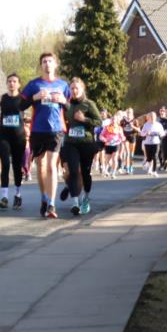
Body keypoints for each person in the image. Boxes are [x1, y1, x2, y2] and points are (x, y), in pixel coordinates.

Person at [21, 52, 70, 219]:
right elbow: (20, 104)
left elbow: (71, 106)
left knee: (51, 166)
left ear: (55, 64)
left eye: (50, 61)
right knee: (41, 167)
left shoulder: (63, 85)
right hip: (37, 130)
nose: (47, 64)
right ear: (40, 65)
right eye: (44, 62)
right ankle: (44, 197)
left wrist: (64, 101)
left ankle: (51, 203)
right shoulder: (34, 84)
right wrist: (34, 97)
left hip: (56, 130)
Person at [58, 78, 102, 215]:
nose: (74, 91)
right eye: (72, 88)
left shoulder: (89, 104)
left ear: (82, 89)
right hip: (71, 143)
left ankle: (86, 198)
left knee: (85, 173)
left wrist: (84, 119)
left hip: (86, 143)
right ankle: (75, 202)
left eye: (77, 88)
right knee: (73, 171)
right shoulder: (67, 104)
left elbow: (99, 122)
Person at [0, 73, 27, 210]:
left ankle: (18, 195)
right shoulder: (1, 98)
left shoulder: (23, 99)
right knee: (5, 164)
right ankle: (4, 197)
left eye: (14, 81)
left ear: (19, 84)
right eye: (9, 81)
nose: (11, 83)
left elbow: (36, 105)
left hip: (19, 137)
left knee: (16, 166)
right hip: (4, 136)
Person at [99, 112, 126, 178]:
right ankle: (105, 170)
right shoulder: (107, 127)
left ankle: (113, 173)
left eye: (115, 120)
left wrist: (122, 138)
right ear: (111, 120)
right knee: (107, 160)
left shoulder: (119, 128)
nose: (114, 121)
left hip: (116, 144)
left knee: (114, 159)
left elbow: (123, 137)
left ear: (117, 121)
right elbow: (101, 136)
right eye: (112, 119)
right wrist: (104, 139)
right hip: (108, 145)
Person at [140, 111, 166, 177]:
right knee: (149, 157)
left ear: (155, 117)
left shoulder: (158, 125)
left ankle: (154, 171)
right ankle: (147, 163)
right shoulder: (146, 125)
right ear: (148, 117)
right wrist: (146, 133)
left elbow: (162, 133)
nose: (152, 118)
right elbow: (141, 133)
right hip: (148, 143)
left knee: (155, 156)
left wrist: (162, 134)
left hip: (156, 143)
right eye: (151, 116)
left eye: (154, 116)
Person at [121, 107, 137, 174]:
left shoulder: (135, 120)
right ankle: (127, 168)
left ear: (132, 113)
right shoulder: (123, 120)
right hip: (125, 138)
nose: (128, 113)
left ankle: (131, 166)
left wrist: (133, 126)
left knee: (131, 154)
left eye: (130, 112)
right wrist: (122, 136)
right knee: (127, 153)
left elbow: (139, 130)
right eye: (127, 112)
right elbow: (120, 129)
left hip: (132, 137)